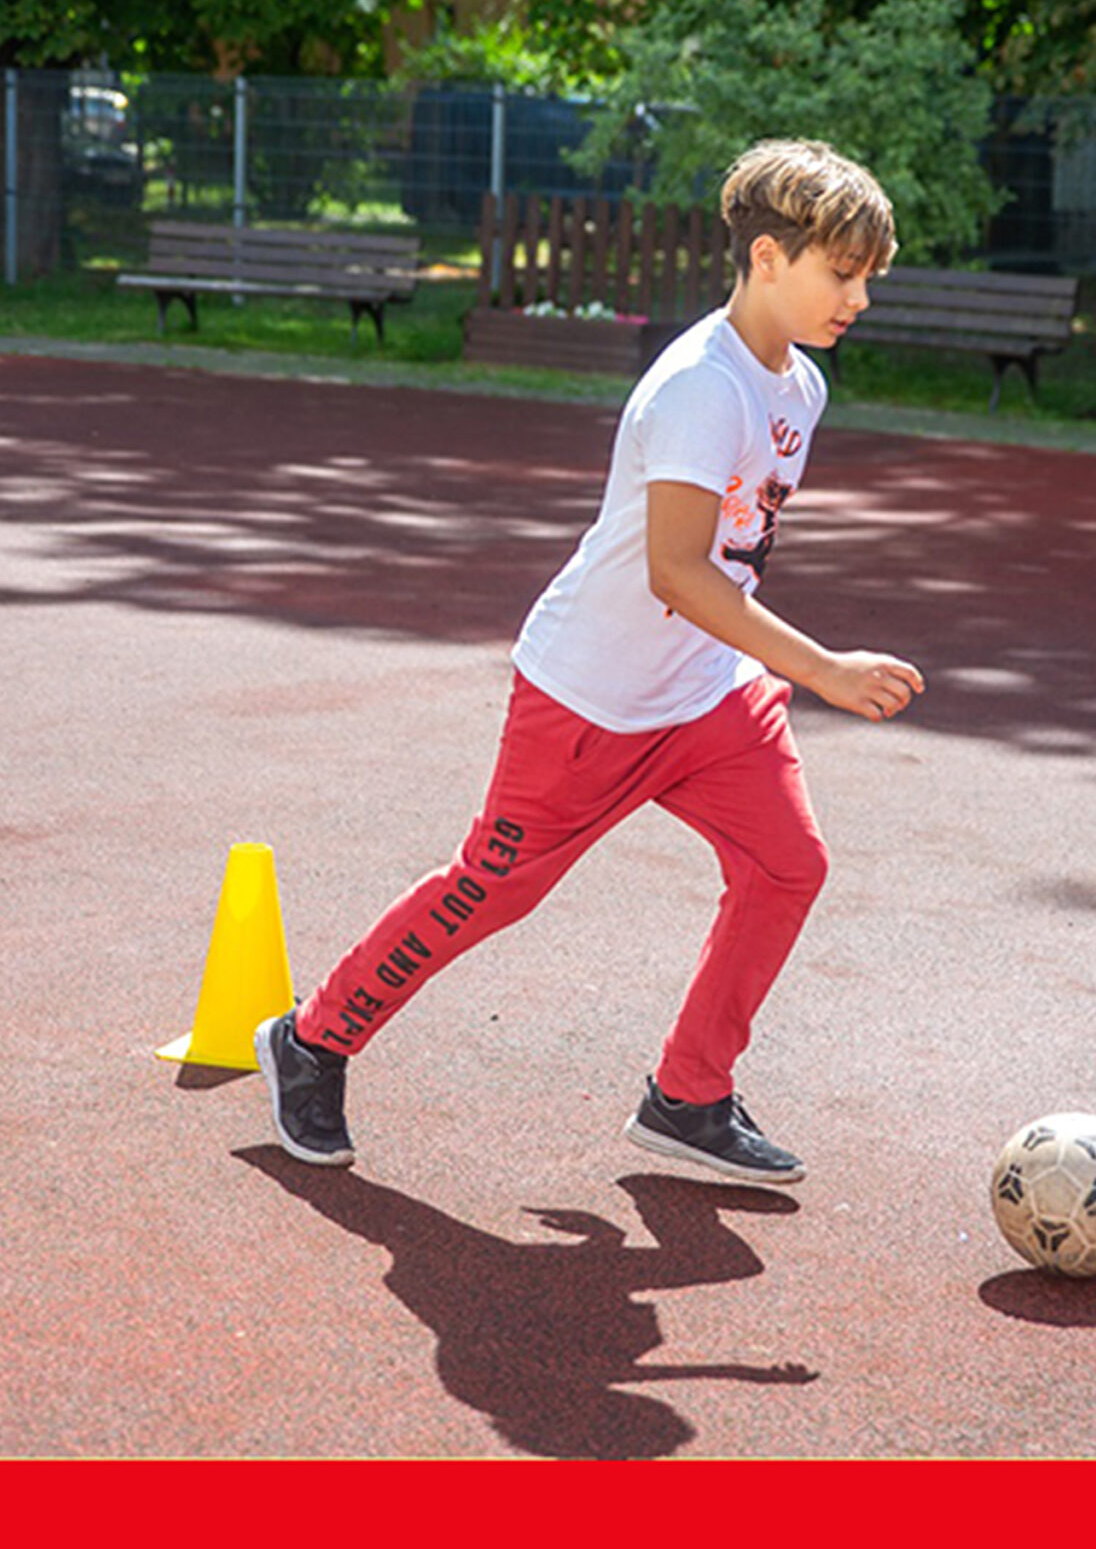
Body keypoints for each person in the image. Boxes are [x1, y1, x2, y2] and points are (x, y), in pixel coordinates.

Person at [255, 138, 925, 1184]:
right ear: (765, 258)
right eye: (844, 274)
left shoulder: (799, 385)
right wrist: (824, 667)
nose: (860, 298)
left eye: (867, 277)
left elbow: (727, 569)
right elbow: (677, 572)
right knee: (492, 889)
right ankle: (312, 1036)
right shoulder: (699, 389)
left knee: (787, 865)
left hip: (707, 693)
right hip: (590, 698)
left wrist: (768, 670)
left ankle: (689, 1094)